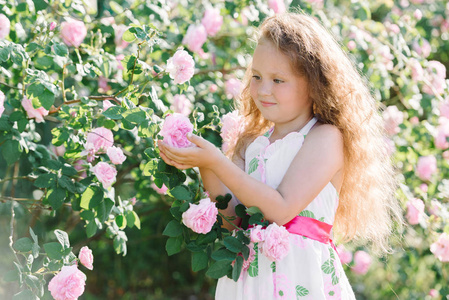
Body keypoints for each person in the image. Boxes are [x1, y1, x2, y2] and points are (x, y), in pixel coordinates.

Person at [158, 12, 402, 300]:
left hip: (299, 277)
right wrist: (205, 166)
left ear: (313, 84)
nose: (263, 89)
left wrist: (217, 162)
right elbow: (234, 219)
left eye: (278, 80)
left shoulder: (324, 137)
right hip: (250, 279)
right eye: (257, 77)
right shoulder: (252, 144)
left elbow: (282, 208)